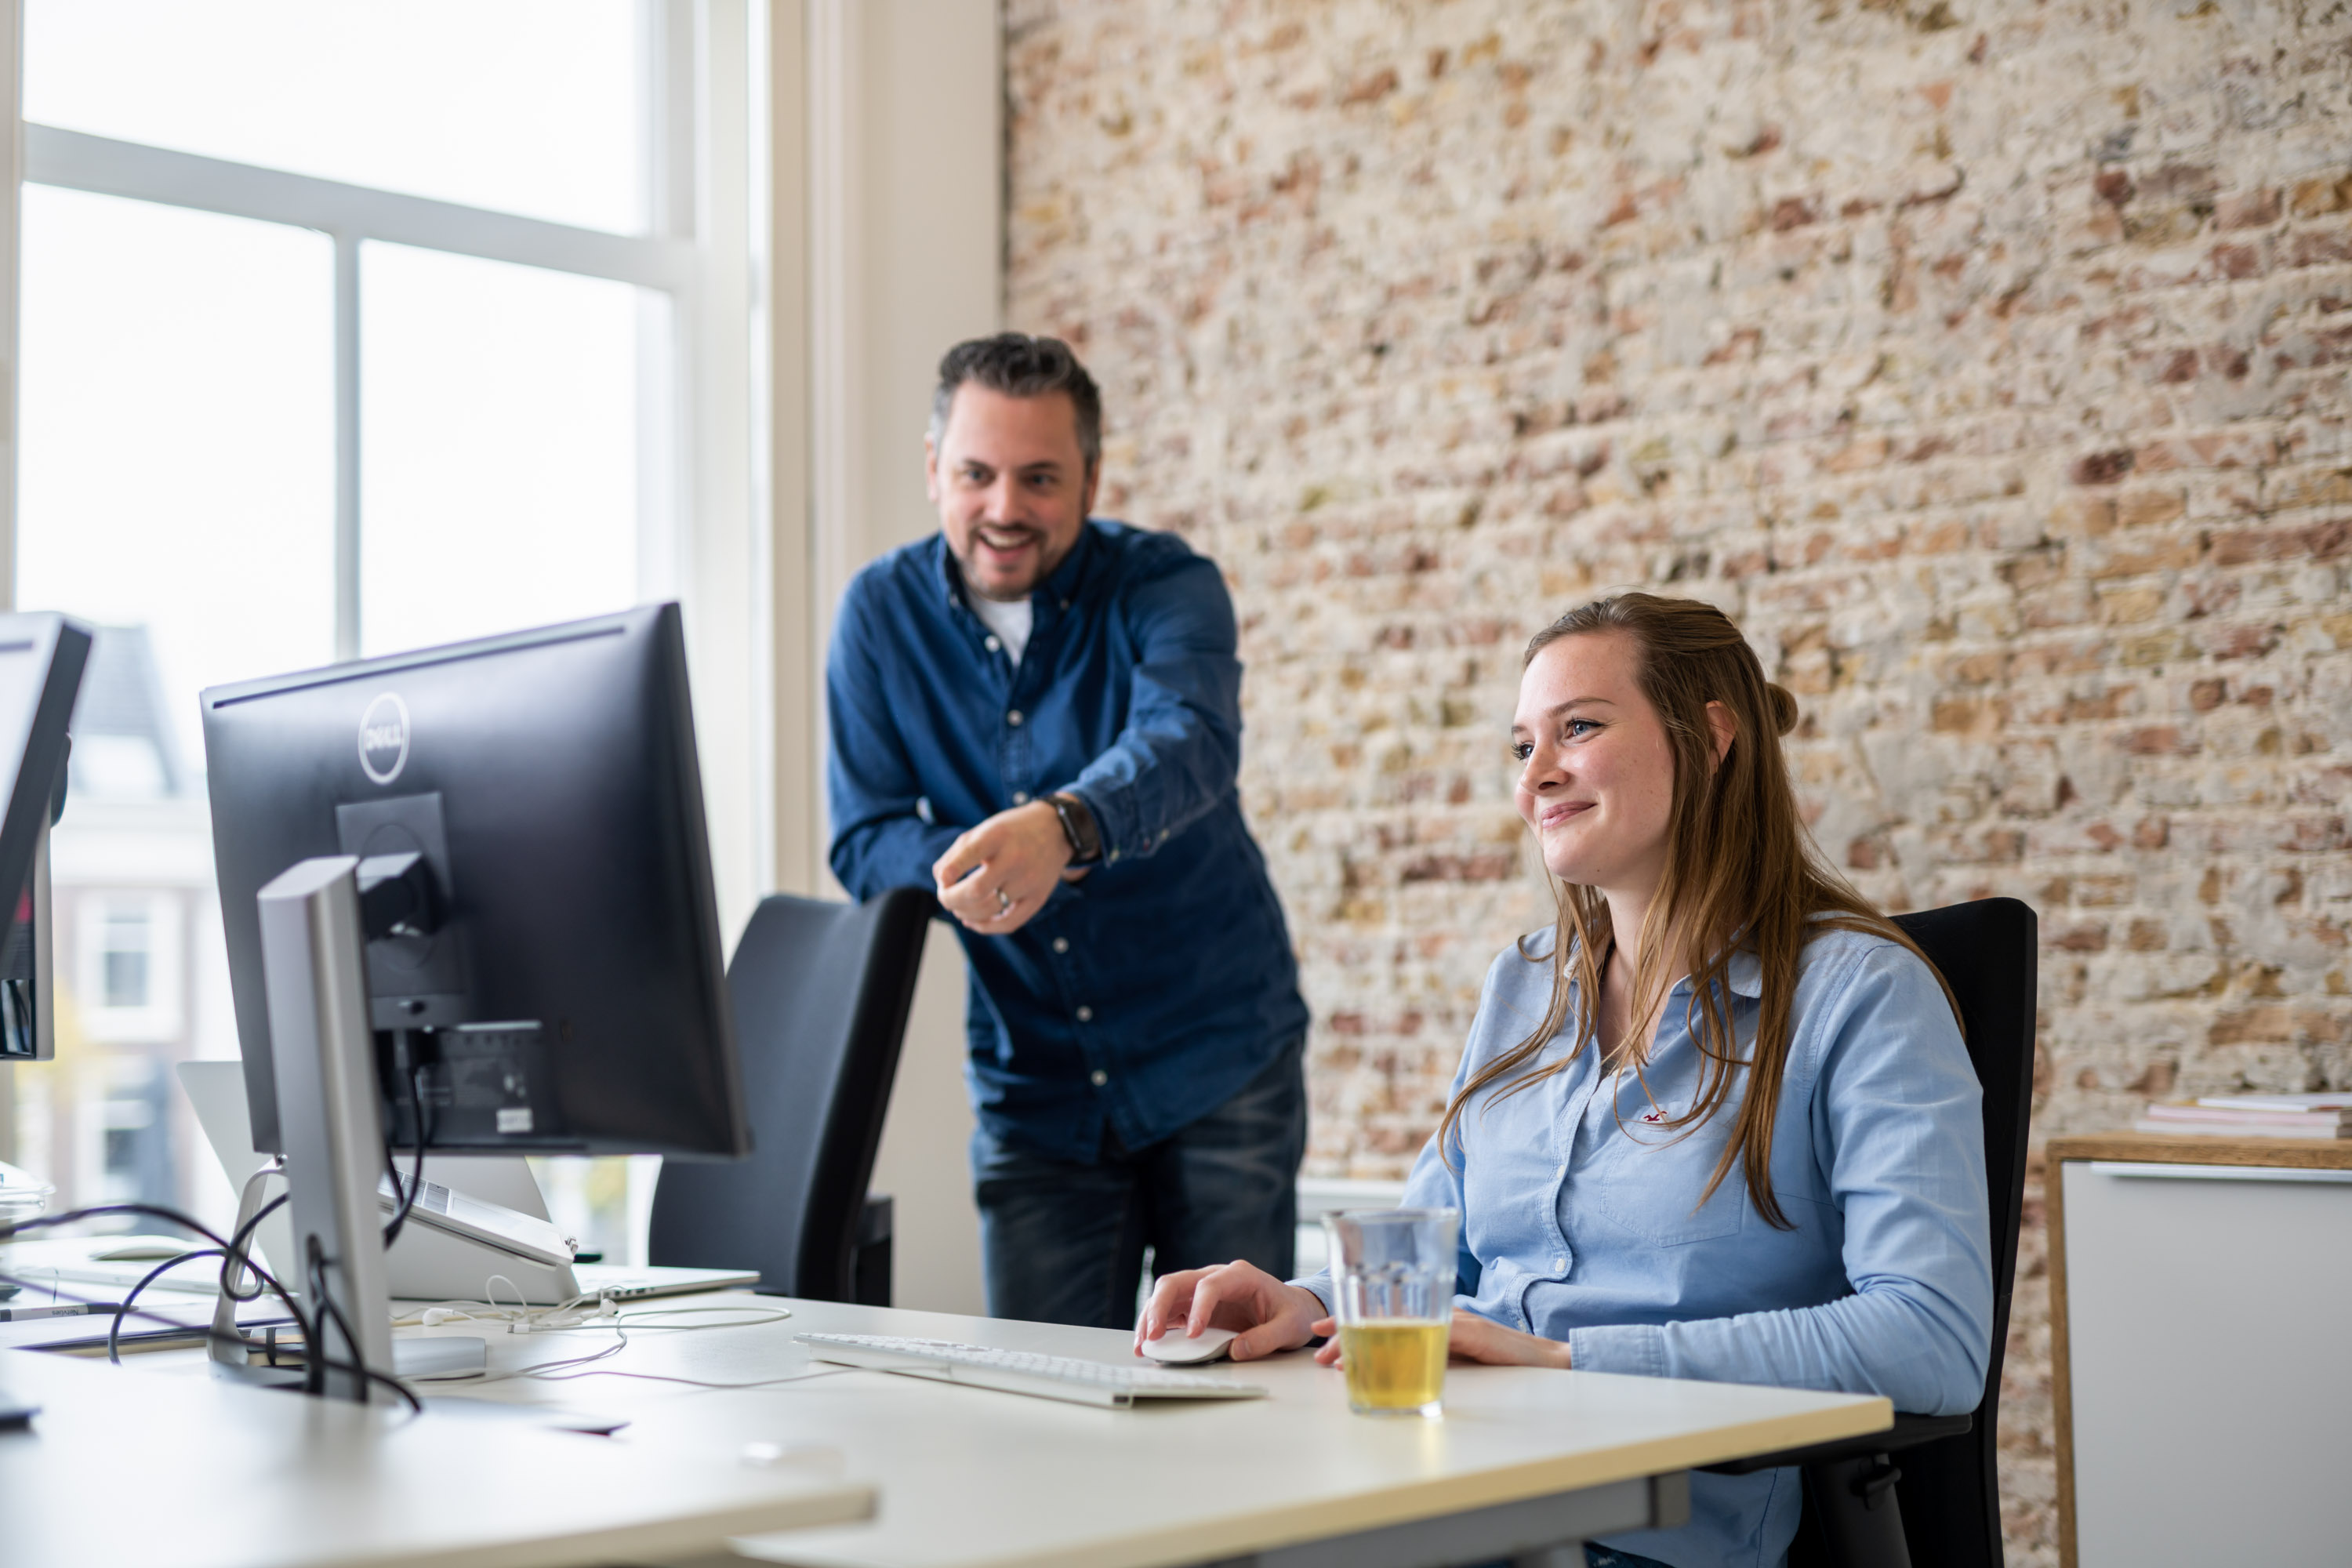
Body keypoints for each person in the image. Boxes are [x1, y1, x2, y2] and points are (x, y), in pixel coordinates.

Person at [1137, 593, 1992, 1568]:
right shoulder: (1526, 986)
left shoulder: (1863, 993)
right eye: (1520, 747)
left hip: (1636, 1533)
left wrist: (1571, 1361)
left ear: (1711, 739)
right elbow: (1438, 1267)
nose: (1535, 776)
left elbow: (1932, 1338)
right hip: (1439, 1476)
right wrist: (1305, 1300)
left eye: (1577, 728)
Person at [827, 332, 1312, 1329]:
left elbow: (1190, 743)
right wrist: (979, 862)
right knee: (1047, 1414)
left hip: (1217, 1062)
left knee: (1237, 1395)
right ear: (933, 470)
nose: (1004, 508)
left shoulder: (1168, 585)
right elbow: (864, 834)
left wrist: (1064, 828)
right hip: (1033, 1087)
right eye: (976, 474)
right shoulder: (877, 615)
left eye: (1039, 477)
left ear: (1091, 477)